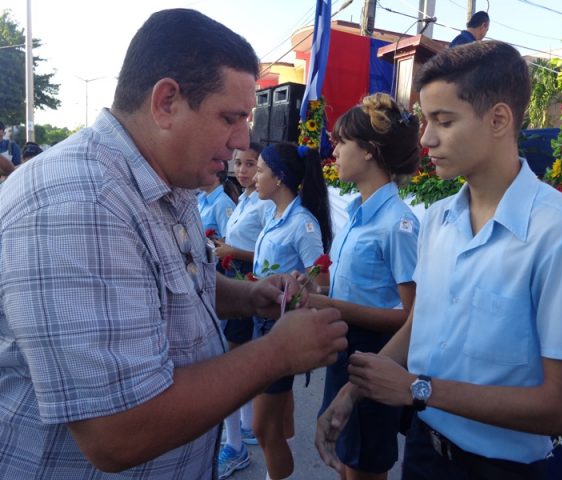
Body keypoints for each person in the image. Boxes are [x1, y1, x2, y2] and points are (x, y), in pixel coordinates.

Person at [0, 9, 347, 479]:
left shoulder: (167, 181)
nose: (244, 138)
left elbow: (179, 281)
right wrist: (278, 353)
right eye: (230, 117)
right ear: (166, 102)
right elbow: (118, 433)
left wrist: (250, 296)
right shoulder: (80, 203)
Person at [316, 41, 562, 480]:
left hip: (497, 468)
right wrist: (353, 393)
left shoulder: (561, 236)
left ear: (499, 120)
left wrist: (418, 389)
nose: (426, 138)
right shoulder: (438, 219)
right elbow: (421, 324)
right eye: (426, 121)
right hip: (424, 447)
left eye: (443, 121)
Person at [309, 92, 420, 480]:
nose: (333, 151)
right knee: (343, 458)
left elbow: (412, 316)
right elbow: (350, 285)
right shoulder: (358, 213)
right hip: (346, 352)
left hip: (377, 356)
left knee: (363, 466)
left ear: (370, 151)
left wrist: (333, 308)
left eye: (342, 143)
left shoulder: (397, 224)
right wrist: (314, 287)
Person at [252, 142, 333, 480]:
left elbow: (323, 280)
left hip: (280, 331)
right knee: (277, 423)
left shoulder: (302, 223)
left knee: (262, 429)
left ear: (280, 177)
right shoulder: (275, 215)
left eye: (259, 170)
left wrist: (301, 286)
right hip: (264, 322)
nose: (254, 177)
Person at [213, 143, 272, 479]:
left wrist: (231, 249)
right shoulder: (244, 198)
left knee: (233, 366)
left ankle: (234, 447)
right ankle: (244, 429)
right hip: (233, 277)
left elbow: (261, 252)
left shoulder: (263, 204)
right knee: (236, 358)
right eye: (238, 163)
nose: (244, 170)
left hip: (245, 281)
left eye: (252, 164)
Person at [198, 160, 238, 240]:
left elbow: (229, 241)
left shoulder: (223, 204)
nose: (199, 175)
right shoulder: (201, 199)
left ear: (217, 176)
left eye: (204, 172)